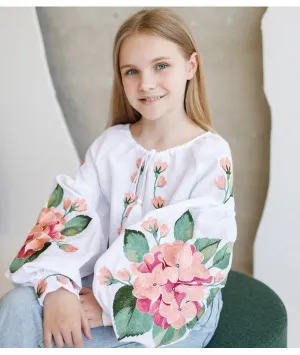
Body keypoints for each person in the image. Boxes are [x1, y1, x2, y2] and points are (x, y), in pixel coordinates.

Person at [0, 8, 236, 348]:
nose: (146, 83)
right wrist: (57, 288)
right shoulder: (110, 145)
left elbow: (195, 253)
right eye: (131, 71)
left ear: (191, 66)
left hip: (172, 309)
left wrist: (111, 303)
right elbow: (71, 215)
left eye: (161, 66)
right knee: (16, 306)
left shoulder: (211, 154)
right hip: (94, 282)